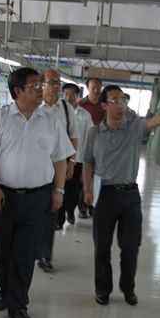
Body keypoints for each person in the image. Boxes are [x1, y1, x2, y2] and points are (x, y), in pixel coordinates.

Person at [0, 67, 74, 318]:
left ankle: (18, 304)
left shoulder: (50, 121)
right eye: (35, 85)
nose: (42, 89)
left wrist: (59, 190)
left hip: (38, 198)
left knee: (25, 252)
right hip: (4, 197)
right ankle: (4, 292)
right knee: (3, 249)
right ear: (18, 90)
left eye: (41, 85)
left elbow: (61, 158)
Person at [82, 85, 160, 306]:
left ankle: (128, 288)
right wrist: (88, 189)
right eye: (115, 100)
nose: (121, 104)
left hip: (130, 196)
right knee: (102, 248)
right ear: (104, 105)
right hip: (104, 196)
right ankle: (103, 289)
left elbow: (153, 122)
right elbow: (88, 162)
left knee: (130, 248)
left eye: (124, 99)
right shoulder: (94, 133)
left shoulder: (134, 128)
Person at [37, 69, 78, 272]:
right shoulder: (34, 105)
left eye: (58, 82)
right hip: (34, 167)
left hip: (56, 167)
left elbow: (74, 136)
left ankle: (45, 255)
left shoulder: (67, 109)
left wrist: (72, 161)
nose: (56, 86)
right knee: (32, 212)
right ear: (41, 84)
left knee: (51, 211)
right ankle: (30, 249)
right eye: (51, 82)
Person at [62, 83, 94, 221]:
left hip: (78, 158)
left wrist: (88, 157)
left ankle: (70, 211)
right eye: (66, 94)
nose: (68, 97)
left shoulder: (85, 115)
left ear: (78, 96)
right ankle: (59, 218)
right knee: (59, 187)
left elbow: (89, 136)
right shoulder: (57, 112)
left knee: (74, 188)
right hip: (59, 158)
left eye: (72, 94)